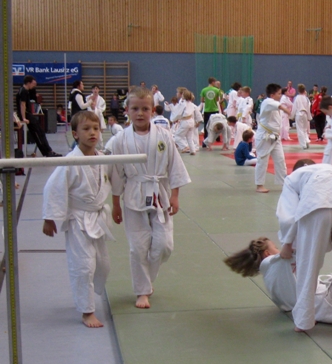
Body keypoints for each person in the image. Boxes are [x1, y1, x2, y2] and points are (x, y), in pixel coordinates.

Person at [109, 86, 191, 309]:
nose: (140, 113)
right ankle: (142, 291)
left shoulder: (164, 135)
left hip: (160, 193)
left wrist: (175, 195)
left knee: (164, 245)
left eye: (145, 109)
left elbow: (174, 165)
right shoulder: (119, 140)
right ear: (127, 110)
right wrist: (115, 204)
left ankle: (147, 280)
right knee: (138, 247)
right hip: (133, 194)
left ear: (153, 111)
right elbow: (116, 173)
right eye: (135, 108)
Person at [276, 159, 332, 332]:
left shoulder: (292, 178)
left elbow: (288, 216)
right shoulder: (331, 169)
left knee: (308, 265)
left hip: (315, 204)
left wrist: (287, 244)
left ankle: (303, 322)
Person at [42, 111, 113, 328]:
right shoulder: (70, 161)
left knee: (103, 265)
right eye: (86, 129)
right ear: (75, 134)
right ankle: (87, 311)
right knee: (83, 266)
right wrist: (49, 218)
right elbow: (53, 188)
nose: (92, 133)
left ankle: (86, 296)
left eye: (96, 128)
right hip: (78, 220)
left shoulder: (103, 158)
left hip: (97, 217)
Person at [254, 84, 292, 194]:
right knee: (262, 160)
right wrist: (286, 109)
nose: (281, 95)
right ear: (272, 95)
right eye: (279, 93)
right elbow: (278, 105)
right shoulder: (267, 102)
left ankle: (284, 183)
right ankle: (259, 185)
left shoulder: (274, 105)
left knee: (280, 159)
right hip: (265, 136)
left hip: (275, 136)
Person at [16, 75, 60, 157]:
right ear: (28, 83)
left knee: (40, 132)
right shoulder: (23, 91)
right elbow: (22, 105)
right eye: (33, 84)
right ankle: (47, 152)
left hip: (28, 114)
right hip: (27, 115)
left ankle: (48, 150)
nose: (34, 86)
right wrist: (23, 118)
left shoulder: (25, 91)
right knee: (38, 133)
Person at [199, 77, 224, 143]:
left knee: (206, 125)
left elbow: (202, 100)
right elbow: (217, 100)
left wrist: (207, 101)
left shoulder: (204, 90)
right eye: (215, 82)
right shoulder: (217, 90)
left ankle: (205, 141)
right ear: (213, 82)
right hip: (215, 109)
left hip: (207, 110)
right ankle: (217, 138)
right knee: (217, 123)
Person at [291, 84, 311, 150]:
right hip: (305, 113)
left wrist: (292, 116)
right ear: (304, 90)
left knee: (300, 129)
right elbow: (308, 108)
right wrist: (309, 117)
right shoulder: (306, 98)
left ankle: (303, 145)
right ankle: (306, 140)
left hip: (299, 114)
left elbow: (294, 107)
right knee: (305, 129)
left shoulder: (297, 98)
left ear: (298, 90)